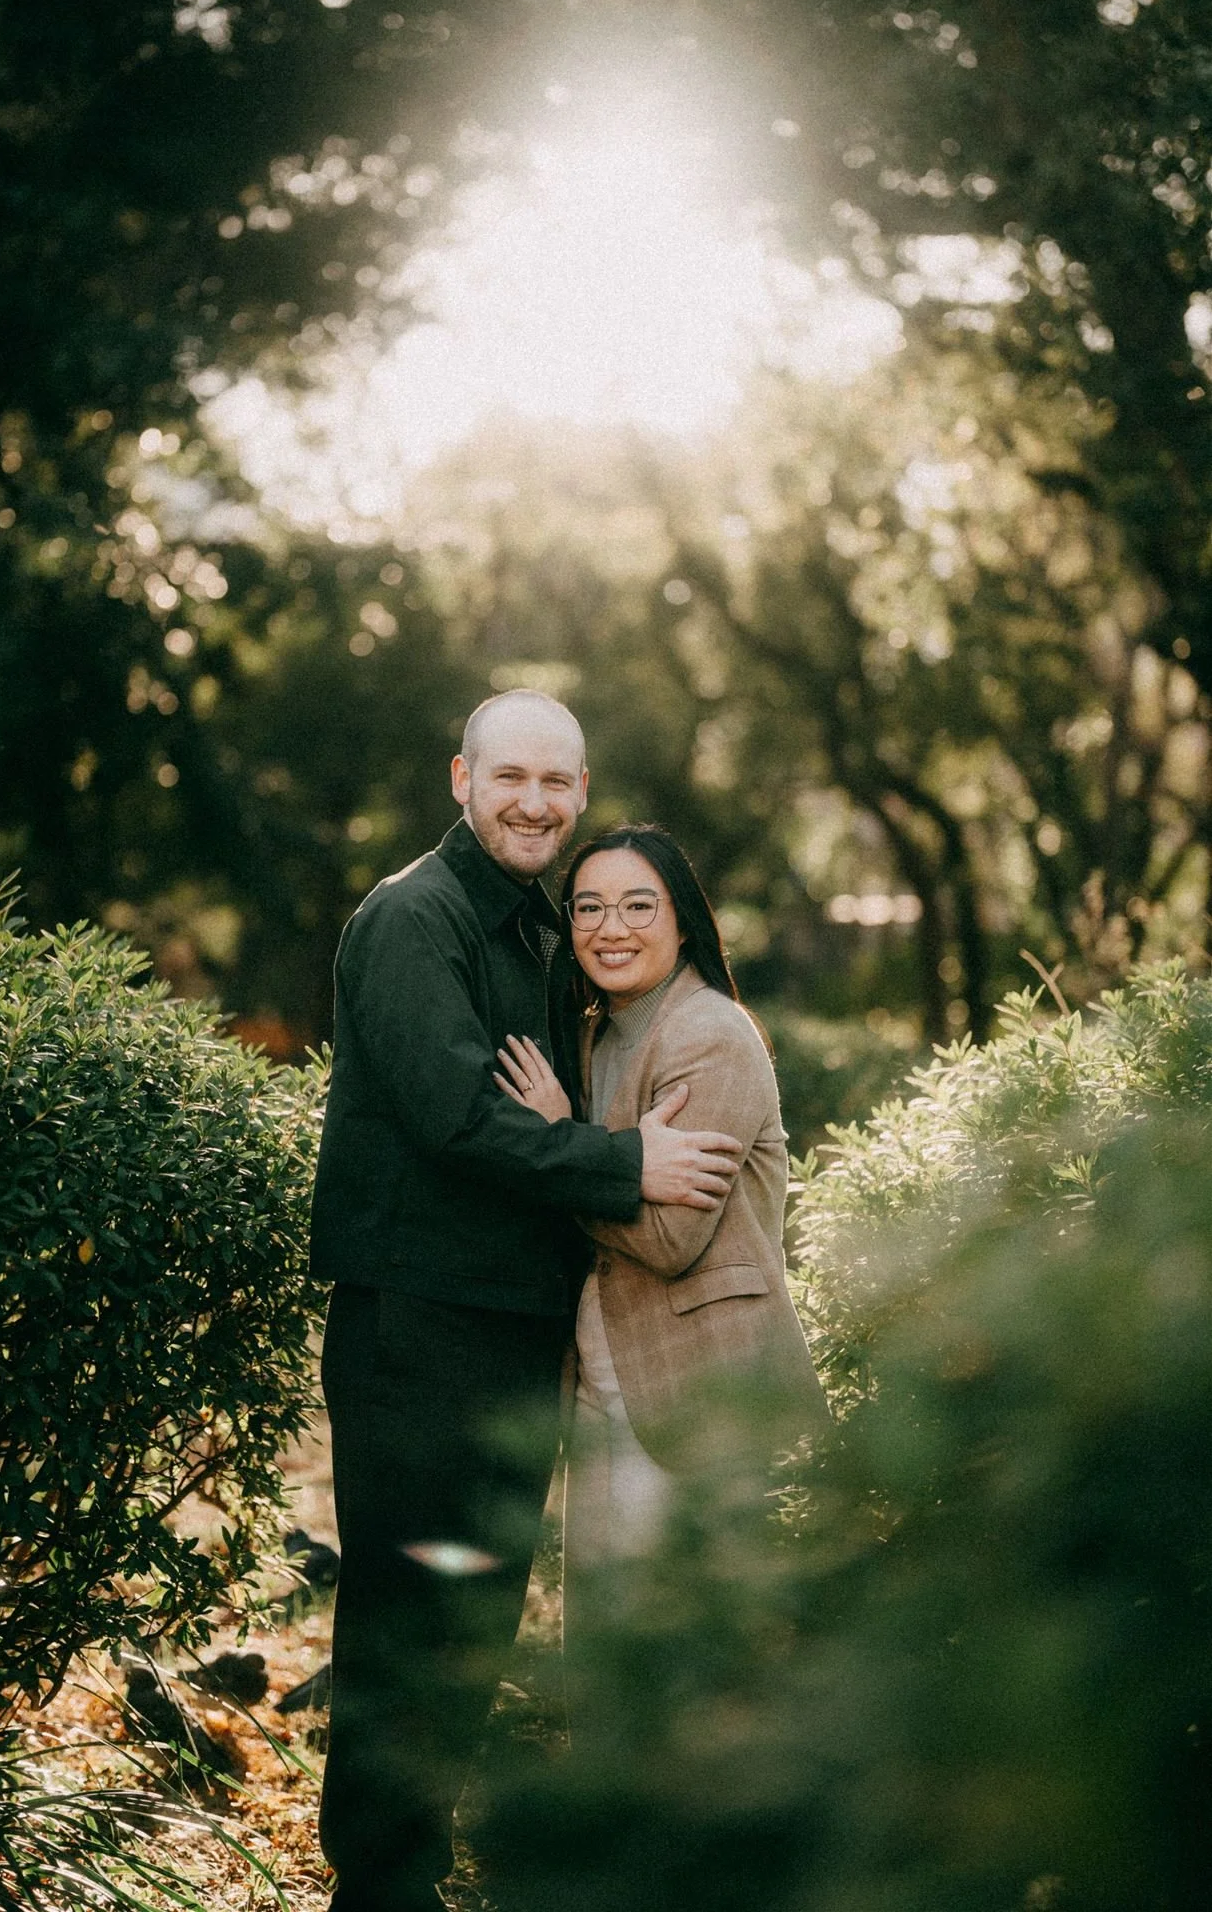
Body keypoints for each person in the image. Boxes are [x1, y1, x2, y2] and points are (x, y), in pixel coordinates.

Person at [308, 695, 744, 1912]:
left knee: (471, 1621)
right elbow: (456, 1117)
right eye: (510, 776)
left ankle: (411, 1875)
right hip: (419, 1330)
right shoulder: (415, 917)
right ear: (462, 777)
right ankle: (377, 1889)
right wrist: (624, 1161)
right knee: (408, 1617)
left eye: (558, 781)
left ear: (582, 788)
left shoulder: (536, 923)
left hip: (506, 1334)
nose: (535, 801)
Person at [493, 825, 827, 1593]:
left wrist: (557, 1146)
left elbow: (672, 1236)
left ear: (682, 920)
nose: (610, 928)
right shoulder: (593, 1034)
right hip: (606, 1366)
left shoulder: (709, 1035)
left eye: (638, 906)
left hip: (700, 1383)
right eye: (588, 908)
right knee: (602, 1629)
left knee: (686, 1632)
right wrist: (600, 1160)